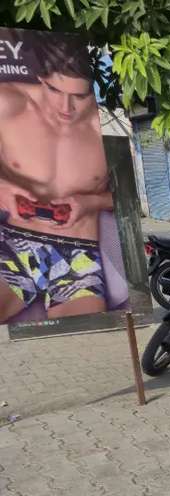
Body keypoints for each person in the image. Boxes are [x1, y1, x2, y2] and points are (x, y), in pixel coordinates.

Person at [0, 31, 113, 323]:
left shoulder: (106, 128)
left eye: (79, 96)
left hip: (80, 253)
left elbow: (127, 197)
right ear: (40, 78)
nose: (66, 108)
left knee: (84, 345)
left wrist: (91, 203)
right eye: (54, 90)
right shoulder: (8, 106)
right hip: (15, 243)